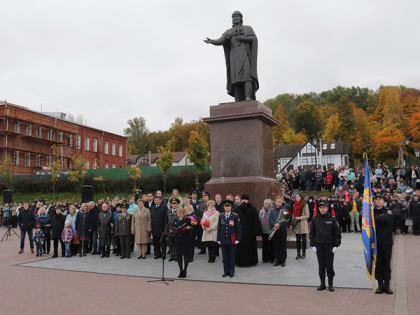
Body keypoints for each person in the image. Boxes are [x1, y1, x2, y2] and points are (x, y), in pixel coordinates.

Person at [204, 10, 259, 101]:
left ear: (241, 18)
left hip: (245, 54)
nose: (235, 18)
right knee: (235, 79)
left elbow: (254, 39)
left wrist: (243, 38)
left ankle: (248, 97)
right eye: (233, 17)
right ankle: (237, 99)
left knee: (247, 75)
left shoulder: (248, 28)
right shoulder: (229, 32)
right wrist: (212, 41)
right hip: (233, 57)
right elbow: (221, 40)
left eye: (237, 16)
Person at [310, 201, 341, 292]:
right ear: (318, 209)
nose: (322, 209)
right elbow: (312, 233)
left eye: (324, 207)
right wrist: (313, 244)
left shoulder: (332, 219)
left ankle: (330, 284)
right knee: (321, 265)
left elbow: (337, 234)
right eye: (321, 207)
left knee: (329, 266)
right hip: (319, 246)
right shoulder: (315, 219)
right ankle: (322, 284)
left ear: (327, 208)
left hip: (329, 247)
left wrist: (336, 245)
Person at [373, 194, 394, 294]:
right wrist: (380, 217)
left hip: (387, 242)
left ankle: (387, 285)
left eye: (380, 199)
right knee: (378, 264)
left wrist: (376, 218)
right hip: (376, 243)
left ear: (383, 201)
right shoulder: (372, 212)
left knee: (386, 264)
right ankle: (380, 286)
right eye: (376, 200)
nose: (378, 201)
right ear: (374, 202)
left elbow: (387, 219)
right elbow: (363, 218)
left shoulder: (388, 210)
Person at [235, 195, 261, 266]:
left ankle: (252, 261)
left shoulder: (253, 209)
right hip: (240, 233)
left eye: (245, 199)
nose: (244, 201)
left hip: (250, 233)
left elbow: (256, 221)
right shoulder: (237, 209)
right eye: (243, 199)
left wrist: (257, 232)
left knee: (250, 248)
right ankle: (240, 262)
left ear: (248, 200)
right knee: (241, 248)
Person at [217, 200, 242, 277]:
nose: (227, 208)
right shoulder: (221, 216)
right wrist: (218, 239)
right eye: (225, 206)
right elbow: (219, 228)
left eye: (228, 206)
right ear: (224, 207)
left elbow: (238, 228)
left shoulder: (235, 216)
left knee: (231, 256)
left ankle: (231, 271)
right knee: (224, 257)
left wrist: (238, 239)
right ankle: (226, 271)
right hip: (223, 239)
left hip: (232, 239)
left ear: (231, 207)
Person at [269, 196, 291, 267]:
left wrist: (279, 225)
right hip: (275, 230)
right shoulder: (272, 211)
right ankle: (277, 259)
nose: (280, 202)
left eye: (281, 201)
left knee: (282, 245)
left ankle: (283, 260)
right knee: (276, 245)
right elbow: (270, 219)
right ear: (275, 202)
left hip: (282, 230)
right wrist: (274, 224)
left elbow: (286, 220)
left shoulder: (285, 210)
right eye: (278, 201)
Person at [172, 207, 193, 278]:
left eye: (181, 213)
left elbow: (192, 227)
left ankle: (185, 270)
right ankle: (181, 270)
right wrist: (172, 230)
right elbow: (173, 228)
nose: (179, 214)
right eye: (178, 213)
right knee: (179, 256)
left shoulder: (187, 219)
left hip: (186, 240)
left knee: (186, 256)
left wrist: (189, 227)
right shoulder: (175, 220)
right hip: (178, 240)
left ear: (184, 213)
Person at [293, 194, 309, 260]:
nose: (297, 198)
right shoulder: (294, 205)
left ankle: (304, 253)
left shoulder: (305, 204)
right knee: (298, 240)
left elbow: (307, 215)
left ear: (301, 197)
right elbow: (293, 215)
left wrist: (299, 218)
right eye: (296, 197)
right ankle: (298, 253)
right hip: (296, 224)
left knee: (304, 239)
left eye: (298, 197)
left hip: (303, 224)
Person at [259, 199, 274, 263]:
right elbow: (259, 219)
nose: (265, 204)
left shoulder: (272, 211)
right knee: (264, 245)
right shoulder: (261, 211)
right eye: (264, 203)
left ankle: (271, 258)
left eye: (267, 203)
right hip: (264, 230)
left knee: (271, 245)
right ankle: (265, 258)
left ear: (270, 204)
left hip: (270, 230)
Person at [167, 197, 179, 262]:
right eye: (172, 204)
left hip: (176, 230)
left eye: (175, 203)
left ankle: (176, 256)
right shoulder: (168, 211)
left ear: (177, 204)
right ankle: (172, 255)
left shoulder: (179, 210)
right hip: (169, 229)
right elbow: (166, 221)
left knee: (176, 244)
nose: (174, 205)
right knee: (170, 243)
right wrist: (166, 230)